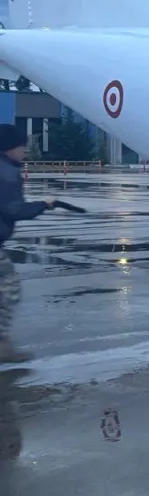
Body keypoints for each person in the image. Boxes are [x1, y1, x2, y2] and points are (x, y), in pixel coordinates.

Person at [0, 125, 54, 364]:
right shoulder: (6, 172)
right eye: (22, 146)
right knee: (10, 289)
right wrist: (43, 205)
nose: (25, 151)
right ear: (9, 148)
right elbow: (13, 210)